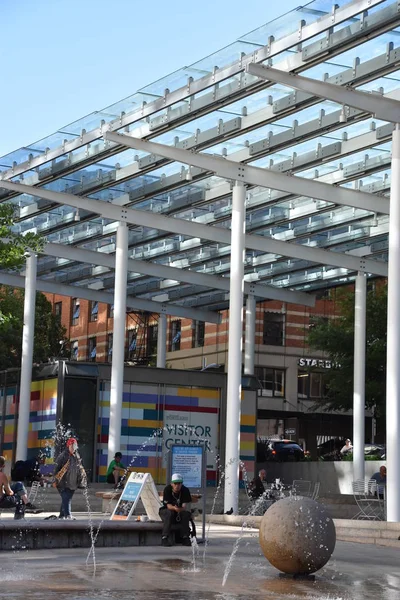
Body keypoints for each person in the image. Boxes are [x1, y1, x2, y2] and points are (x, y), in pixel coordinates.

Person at [53, 437, 86, 520]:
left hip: (73, 482)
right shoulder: (63, 455)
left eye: (75, 446)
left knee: (67, 499)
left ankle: (62, 515)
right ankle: (68, 515)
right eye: (72, 445)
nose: (74, 447)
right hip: (62, 482)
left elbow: (80, 468)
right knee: (66, 498)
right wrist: (54, 480)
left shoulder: (76, 455)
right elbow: (56, 468)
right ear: (68, 446)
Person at [159, 473, 192, 547]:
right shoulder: (168, 489)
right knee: (169, 513)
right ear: (172, 484)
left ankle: (185, 537)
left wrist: (180, 509)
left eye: (179, 483)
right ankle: (164, 537)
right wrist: (174, 508)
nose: (177, 486)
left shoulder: (185, 490)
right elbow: (168, 506)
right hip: (167, 510)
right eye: (175, 483)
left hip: (179, 511)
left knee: (186, 514)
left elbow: (184, 506)